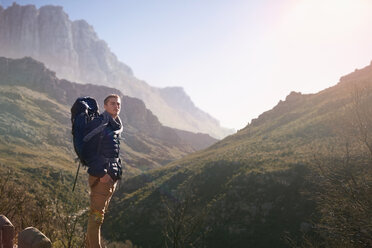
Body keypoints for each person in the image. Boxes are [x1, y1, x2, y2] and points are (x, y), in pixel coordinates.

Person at [82, 94, 123, 248]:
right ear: (105, 106)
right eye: (112, 103)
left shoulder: (114, 125)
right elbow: (88, 150)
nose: (116, 106)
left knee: (98, 216)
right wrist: (102, 174)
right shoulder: (100, 123)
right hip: (102, 178)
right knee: (96, 218)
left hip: (110, 179)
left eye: (118, 104)